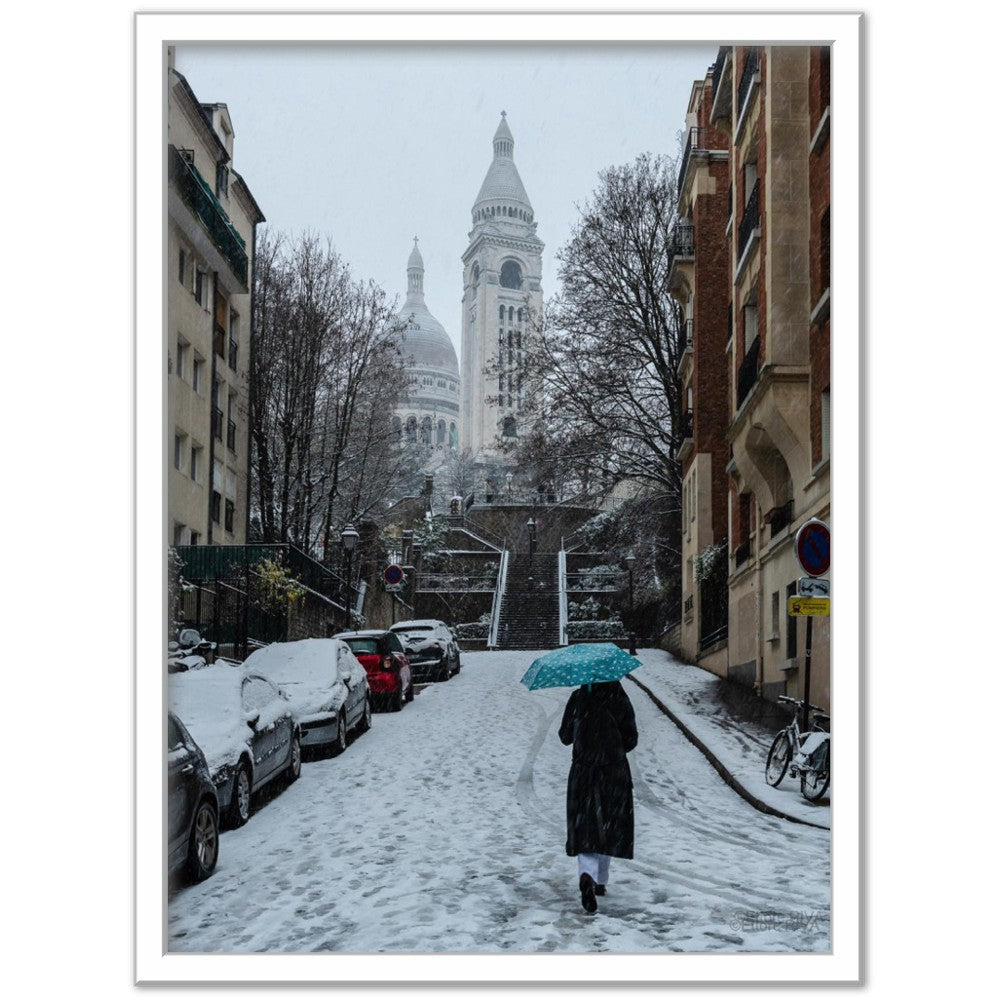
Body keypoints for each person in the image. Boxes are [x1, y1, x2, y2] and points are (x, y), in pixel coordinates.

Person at [558, 679, 638, 913]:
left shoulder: (578, 697)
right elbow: (631, 738)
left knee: (586, 826)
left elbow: (564, 736)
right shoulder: (619, 697)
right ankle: (601, 881)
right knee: (609, 826)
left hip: (583, 772)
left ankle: (587, 874)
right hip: (613, 771)